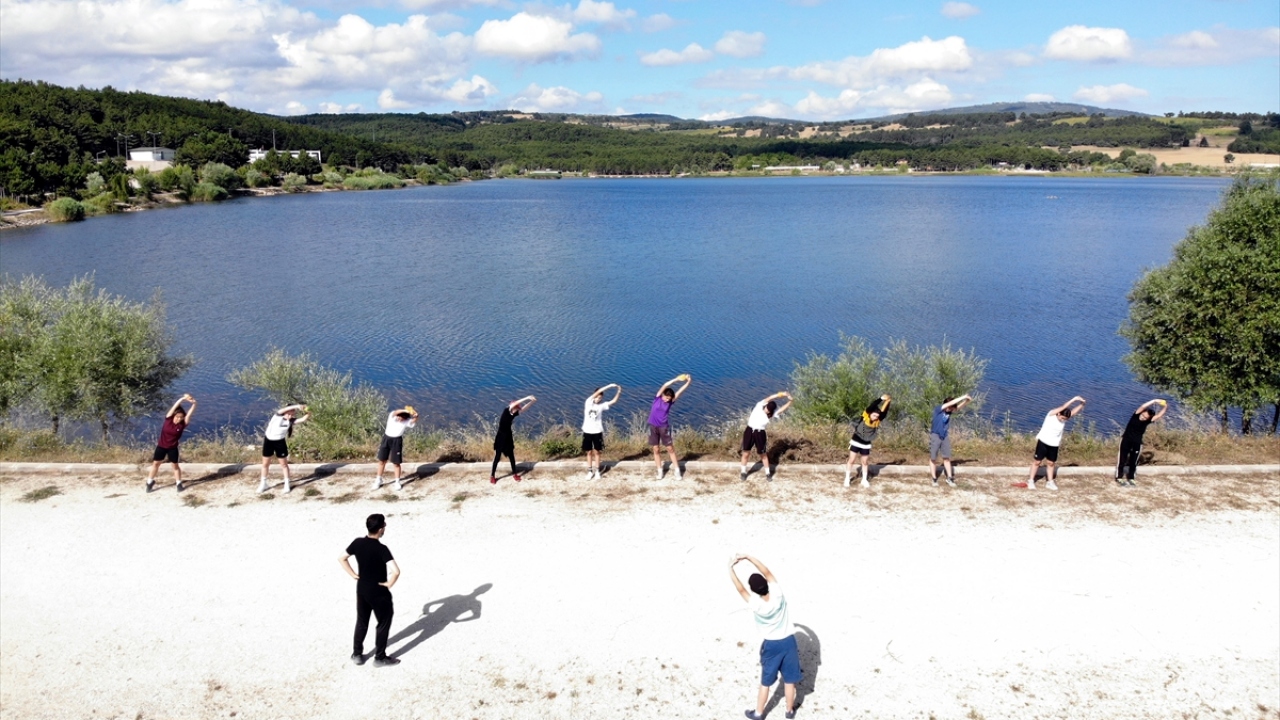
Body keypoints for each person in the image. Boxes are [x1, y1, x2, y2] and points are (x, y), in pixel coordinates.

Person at [729, 554, 801, 720]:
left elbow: (740, 589)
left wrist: (730, 568)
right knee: (789, 680)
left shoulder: (756, 604)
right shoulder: (778, 593)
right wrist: (748, 557)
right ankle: (789, 711)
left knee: (766, 682)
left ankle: (759, 713)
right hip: (789, 641)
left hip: (771, 645)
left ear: (754, 590)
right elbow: (767, 571)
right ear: (766, 584)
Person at [340, 513, 401, 667]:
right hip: (379, 592)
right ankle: (379, 658)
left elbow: (342, 558)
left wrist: (353, 575)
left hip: (362, 589)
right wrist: (389, 584)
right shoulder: (382, 549)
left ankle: (357, 654)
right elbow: (396, 571)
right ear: (380, 529)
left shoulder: (357, 543)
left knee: (362, 621)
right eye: (384, 525)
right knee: (383, 622)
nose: (385, 527)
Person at [1026, 396, 1086, 490]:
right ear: (1058, 413)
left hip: (1054, 445)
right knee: (1037, 462)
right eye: (1062, 418)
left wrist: (1082, 404)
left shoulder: (1064, 417)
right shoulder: (1051, 414)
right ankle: (1031, 481)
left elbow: (1073, 412)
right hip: (1043, 442)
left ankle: (1050, 482)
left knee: (1051, 463)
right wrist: (1074, 399)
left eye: (1065, 419)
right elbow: (1063, 407)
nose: (1063, 420)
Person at [146, 394, 196, 493]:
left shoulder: (182, 425)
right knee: (155, 464)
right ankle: (149, 482)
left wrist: (194, 404)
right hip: (161, 446)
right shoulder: (168, 420)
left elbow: (189, 414)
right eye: (177, 417)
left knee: (175, 466)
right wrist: (182, 399)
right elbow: (174, 407)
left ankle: (179, 484)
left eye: (181, 417)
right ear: (173, 416)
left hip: (172, 448)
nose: (179, 419)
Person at [740, 392, 793, 481]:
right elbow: (771, 397)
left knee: (763, 454)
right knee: (746, 453)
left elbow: (782, 409)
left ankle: (768, 474)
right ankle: (743, 472)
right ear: (766, 406)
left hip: (760, 433)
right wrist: (782, 394)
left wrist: (790, 401)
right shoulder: (759, 405)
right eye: (767, 408)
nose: (767, 411)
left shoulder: (771, 414)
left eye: (769, 410)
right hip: (749, 431)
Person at [258, 404, 310, 494]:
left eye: (292, 415)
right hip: (268, 441)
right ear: (285, 412)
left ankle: (286, 484)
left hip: (280, 443)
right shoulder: (277, 416)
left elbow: (303, 419)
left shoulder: (291, 421)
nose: (290, 416)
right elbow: (285, 409)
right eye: (289, 414)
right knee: (265, 464)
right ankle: (263, 483)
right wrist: (297, 406)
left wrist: (308, 412)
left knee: (284, 465)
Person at [649, 374, 692, 480]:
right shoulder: (657, 398)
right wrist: (676, 379)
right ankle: (659, 471)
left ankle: (677, 471)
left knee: (670, 448)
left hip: (663, 427)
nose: (667, 400)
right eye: (666, 398)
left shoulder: (670, 402)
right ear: (662, 395)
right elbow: (665, 384)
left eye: (669, 399)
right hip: (653, 426)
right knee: (656, 449)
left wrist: (688, 382)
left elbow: (680, 391)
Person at [1116, 399, 1168, 486]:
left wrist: (1165, 406)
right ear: (1142, 412)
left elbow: (1159, 415)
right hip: (1126, 440)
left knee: (1133, 462)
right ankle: (1119, 477)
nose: (1143, 417)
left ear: (1148, 418)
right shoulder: (1135, 416)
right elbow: (1143, 406)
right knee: (1122, 459)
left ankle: (1131, 478)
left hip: (1137, 443)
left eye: (1145, 417)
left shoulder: (1147, 421)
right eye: (1143, 415)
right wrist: (1154, 401)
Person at [845, 395, 891, 488]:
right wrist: (880, 399)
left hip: (866, 443)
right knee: (852, 460)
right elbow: (871, 406)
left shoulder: (877, 420)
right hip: (856, 440)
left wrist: (888, 401)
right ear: (870, 414)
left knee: (865, 462)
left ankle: (864, 480)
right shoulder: (865, 415)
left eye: (877, 416)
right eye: (874, 415)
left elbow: (884, 412)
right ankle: (847, 478)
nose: (875, 417)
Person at [928, 394, 973, 487]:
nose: (950, 410)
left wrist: (967, 401)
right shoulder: (939, 409)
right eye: (950, 407)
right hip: (935, 435)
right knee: (933, 458)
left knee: (946, 458)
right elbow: (952, 403)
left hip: (944, 436)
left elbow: (958, 408)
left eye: (952, 408)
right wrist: (964, 396)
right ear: (946, 405)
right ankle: (934, 479)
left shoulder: (949, 411)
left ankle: (949, 478)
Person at [491, 395, 536, 484]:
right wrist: (527, 398)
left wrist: (532, 402)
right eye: (517, 408)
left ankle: (515, 474)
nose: (518, 410)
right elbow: (515, 403)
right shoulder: (506, 410)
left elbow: (524, 409)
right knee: (497, 457)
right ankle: (492, 476)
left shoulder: (514, 413)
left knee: (512, 457)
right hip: (500, 437)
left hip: (508, 437)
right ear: (513, 407)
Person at [374, 406, 418, 491]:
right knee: (382, 461)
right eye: (399, 416)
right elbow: (396, 412)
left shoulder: (406, 421)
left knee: (396, 463)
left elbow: (413, 421)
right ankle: (378, 480)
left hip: (397, 441)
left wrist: (416, 416)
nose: (399, 418)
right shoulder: (392, 416)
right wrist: (407, 410)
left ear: (405, 418)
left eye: (401, 418)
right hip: (386, 439)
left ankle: (397, 482)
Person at [582, 384, 621, 480]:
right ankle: (590, 471)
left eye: (600, 398)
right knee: (589, 452)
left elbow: (613, 401)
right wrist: (610, 386)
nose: (598, 399)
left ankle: (597, 471)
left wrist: (619, 391)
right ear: (594, 395)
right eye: (597, 397)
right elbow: (598, 392)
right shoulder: (588, 402)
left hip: (597, 432)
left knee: (597, 452)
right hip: (587, 431)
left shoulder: (601, 406)